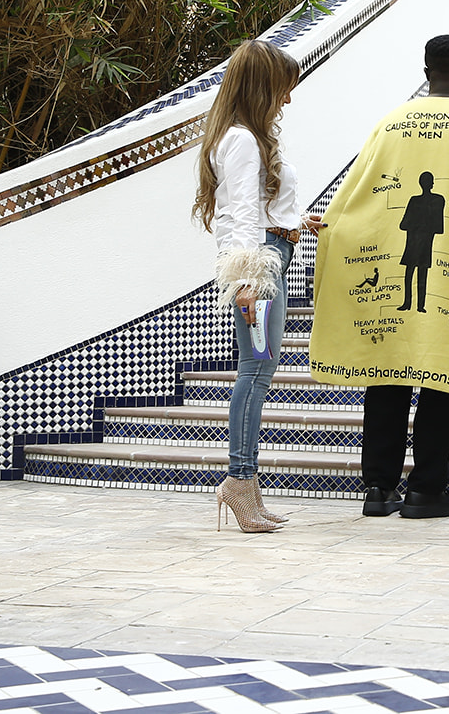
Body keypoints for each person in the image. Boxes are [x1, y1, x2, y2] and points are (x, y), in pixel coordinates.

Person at [308, 34, 449, 519]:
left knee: (386, 375)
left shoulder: (390, 124)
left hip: (391, 270)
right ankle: (427, 489)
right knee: (446, 377)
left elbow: (355, 196)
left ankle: (378, 489)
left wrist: (335, 233)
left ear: (426, 72)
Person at [194, 38, 321, 534]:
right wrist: (249, 280)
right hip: (260, 269)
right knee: (256, 370)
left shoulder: (241, 136)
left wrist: (295, 221)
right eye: (283, 88)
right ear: (261, 86)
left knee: (259, 370)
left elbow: (253, 207)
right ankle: (239, 481)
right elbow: (242, 213)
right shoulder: (243, 140)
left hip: (268, 256)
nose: (287, 98)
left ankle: (249, 485)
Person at [398, 172, 444, 312]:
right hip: (419, 243)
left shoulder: (420, 201)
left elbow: (404, 224)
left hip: (416, 242)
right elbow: (438, 227)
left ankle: (413, 304)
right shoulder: (436, 200)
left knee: (413, 275)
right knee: (418, 275)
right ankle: (417, 305)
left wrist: (416, 224)